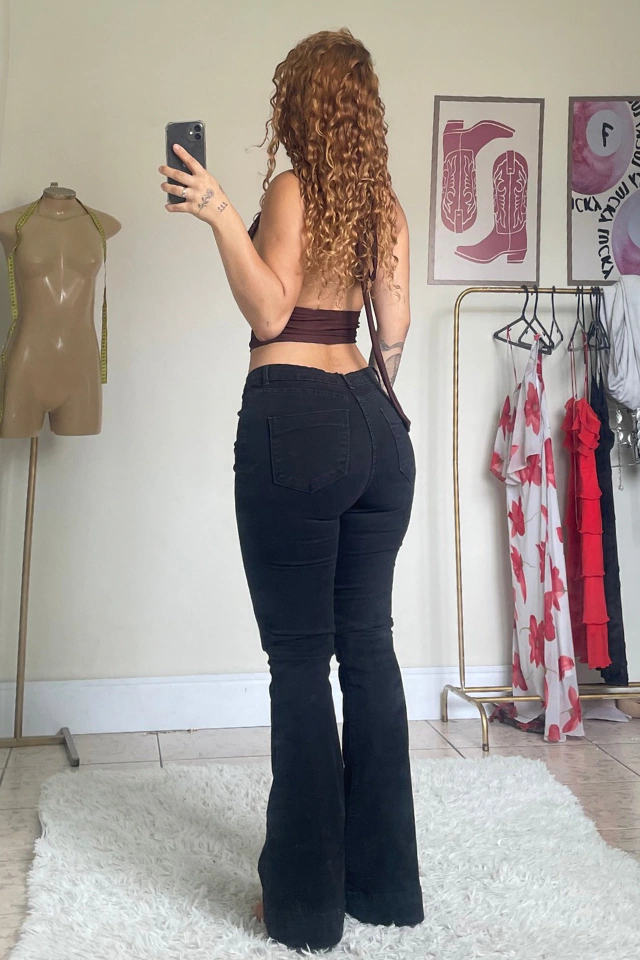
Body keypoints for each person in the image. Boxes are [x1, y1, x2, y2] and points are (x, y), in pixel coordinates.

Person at [158, 27, 424, 954]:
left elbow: (272, 309)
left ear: (299, 104)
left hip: (297, 420)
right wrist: (366, 419)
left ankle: (308, 910)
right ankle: (384, 889)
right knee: (370, 651)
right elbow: (394, 329)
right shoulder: (383, 204)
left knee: (302, 662)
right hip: (380, 431)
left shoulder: (290, 189)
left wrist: (218, 213)